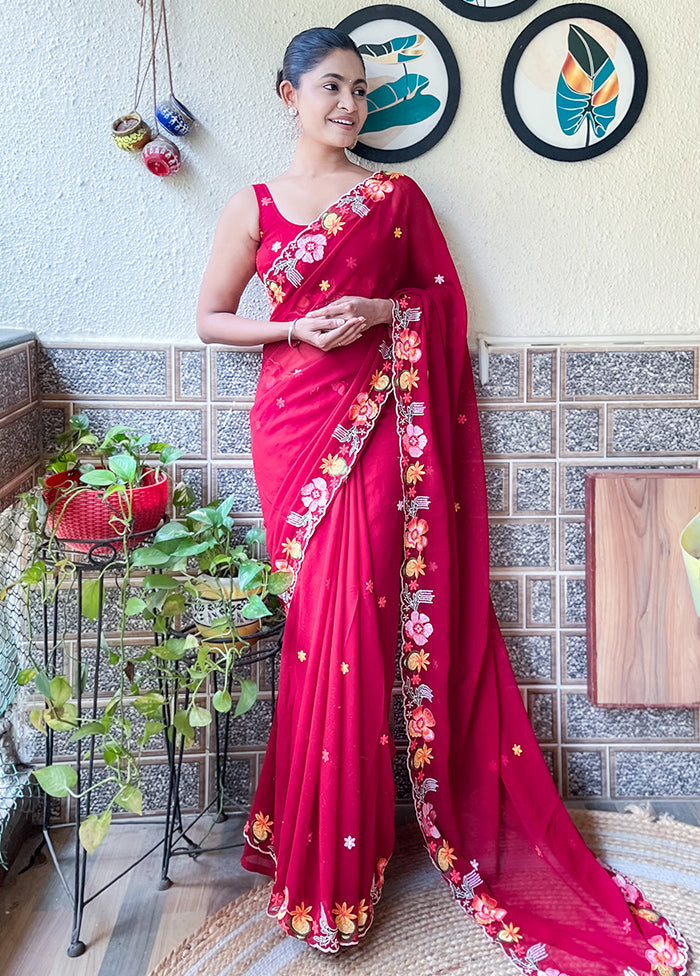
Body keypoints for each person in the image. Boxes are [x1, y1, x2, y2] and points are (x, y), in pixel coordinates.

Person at [196, 26, 688, 975]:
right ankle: (311, 853)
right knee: (315, 634)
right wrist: (298, 324)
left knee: (357, 629)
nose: (349, 105)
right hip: (293, 429)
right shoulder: (252, 204)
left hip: (379, 431)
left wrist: (382, 314)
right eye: (331, 87)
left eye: (361, 92)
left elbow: (442, 306)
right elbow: (212, 317)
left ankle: (348, 867)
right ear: (286, 92)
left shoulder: (396, 198)